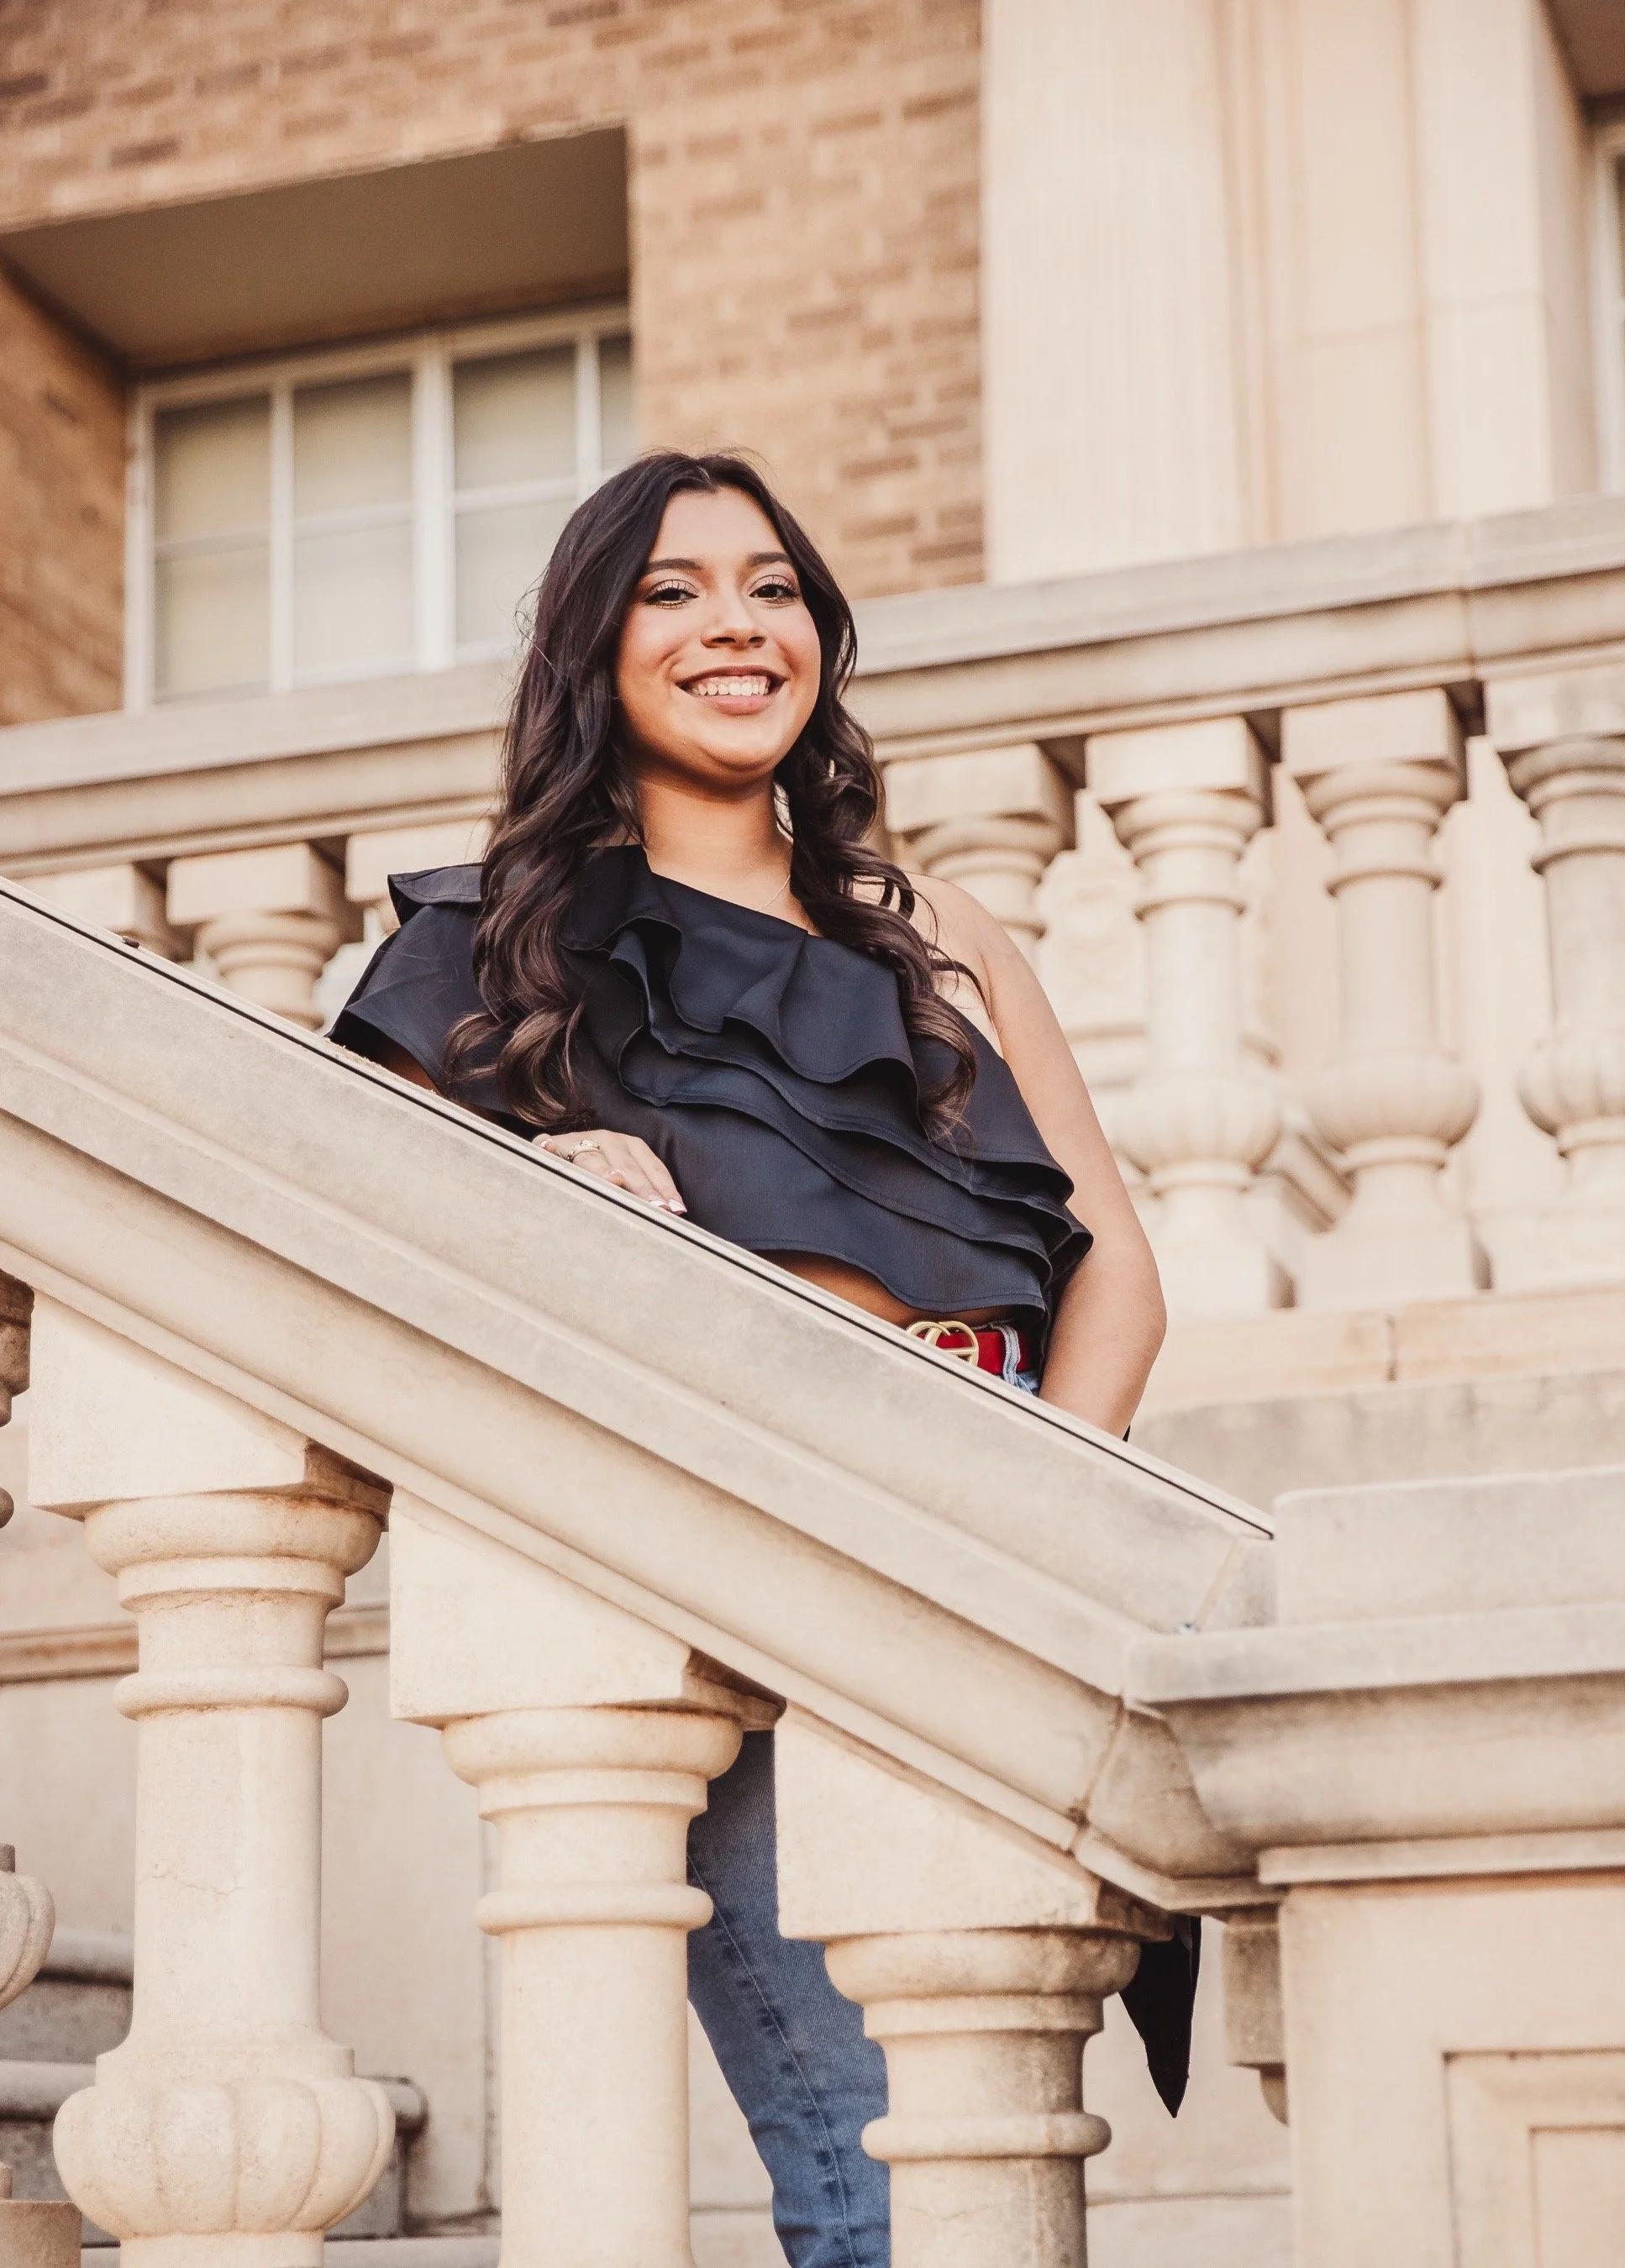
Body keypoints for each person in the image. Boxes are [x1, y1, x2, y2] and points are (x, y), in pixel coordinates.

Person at [329, 450, 1175, 2268]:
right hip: (743, 1605)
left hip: (983, 1571)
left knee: (1000, 2150)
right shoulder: (486, 950)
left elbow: (1115, 1274)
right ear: (595, 647)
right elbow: (361, 1265)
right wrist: (535, 1178)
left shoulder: (946, 935)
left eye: (774, 586)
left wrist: (1036, 1539)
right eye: (675, 589)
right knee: (870, 2170)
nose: (737, 624)